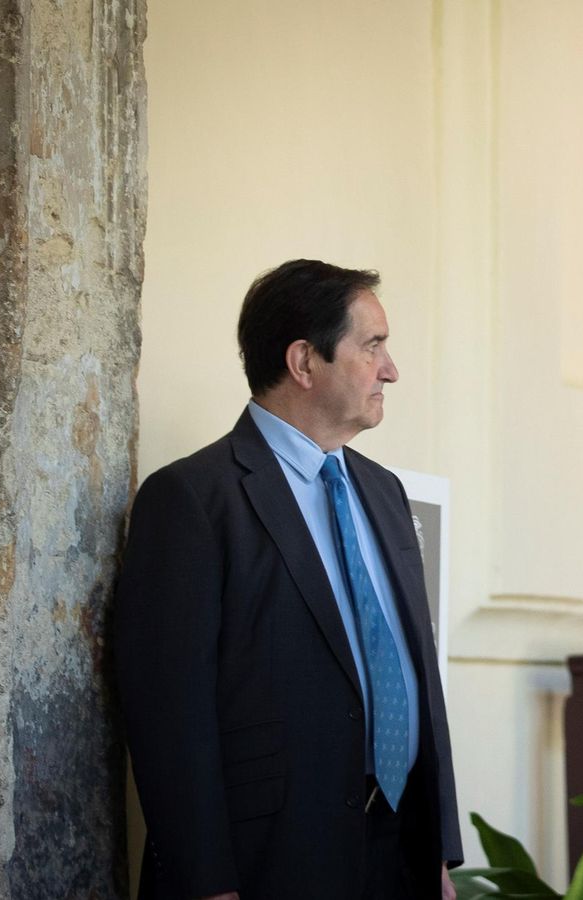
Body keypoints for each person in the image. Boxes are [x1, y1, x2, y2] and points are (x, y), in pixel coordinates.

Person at [113, 260, 461, 899]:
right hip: (267, 865)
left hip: (398, 857)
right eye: (373, 346)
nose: (391, 370)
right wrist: (205, 883)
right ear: (304, 362)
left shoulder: (386, 493)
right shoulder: (190, 499)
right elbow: (168, 717)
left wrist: (436, 849)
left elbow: (416, 675)